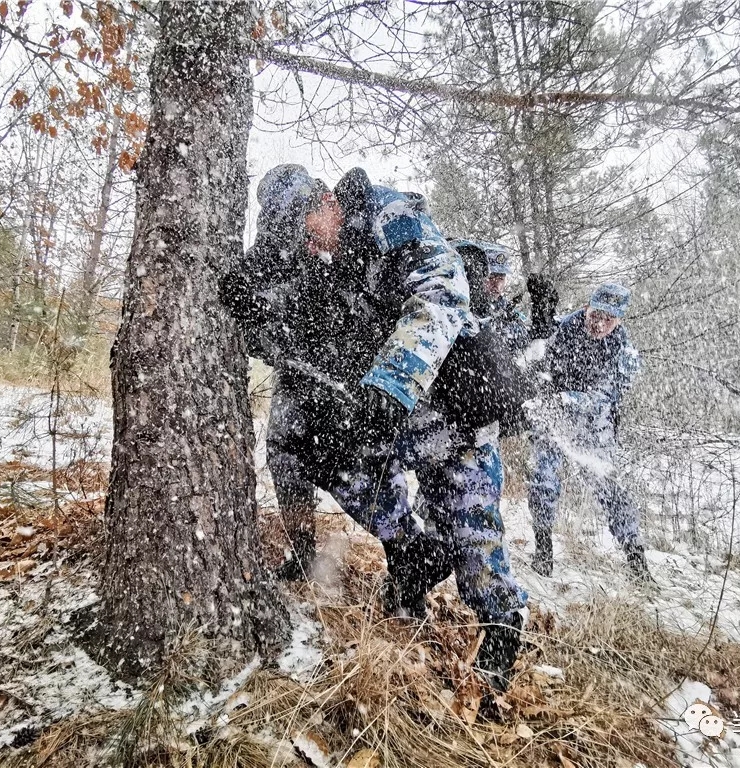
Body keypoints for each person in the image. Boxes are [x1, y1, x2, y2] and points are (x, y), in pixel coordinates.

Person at [221, 164, 533, 693]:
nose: (308, 245)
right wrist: (255, 309)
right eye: (295, 237)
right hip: (398, 414)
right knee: (330, 456)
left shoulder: (388, 215)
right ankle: (410, 556)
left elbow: (441, 295)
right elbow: (302, 333)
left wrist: (391, 383)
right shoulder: (331, 258)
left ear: (325, 200)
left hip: (454, 401)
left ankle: (501, 630)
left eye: (306, 229)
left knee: (470, 529)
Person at [526, 283, 652, 581]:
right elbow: (535, 362)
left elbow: (603, 398)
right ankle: (543, 549)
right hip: (553, 415)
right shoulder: (562, 330)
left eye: (609, 319)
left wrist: (568, 399)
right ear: (587, 308)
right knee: (542, 478)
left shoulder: (624, 353)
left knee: (610, 486)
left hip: (594, 425)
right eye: (596, 315)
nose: (600, 324)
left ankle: (636, 560)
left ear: (619, 320)